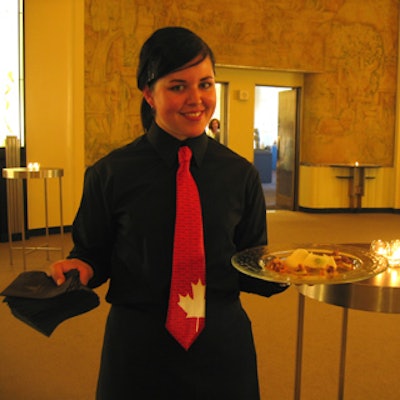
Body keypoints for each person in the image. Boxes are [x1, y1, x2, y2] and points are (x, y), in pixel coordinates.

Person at [50, 26, 288, 400]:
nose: (196, 99)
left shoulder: (241, 174)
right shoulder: (110, 173)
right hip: (139, 343)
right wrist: (80, 268)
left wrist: (288, 271)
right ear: (149, 94)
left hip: (221, 343)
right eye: (178, 86)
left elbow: (250, 260)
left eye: (206, 84)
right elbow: (92, 252)